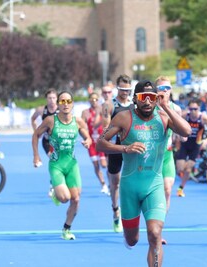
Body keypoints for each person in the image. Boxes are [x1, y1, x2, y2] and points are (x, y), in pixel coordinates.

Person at [96, 80, 191, 267]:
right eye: (142, 97)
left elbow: (186, 131)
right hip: (130, 187)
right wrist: (126, 148)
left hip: (154, 185)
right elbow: (100, 143)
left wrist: (166, 107)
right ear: (135, 99)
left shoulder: (164, 117)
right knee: (132, 240)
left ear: (156, 99)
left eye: (152, 97)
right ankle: (128, 237)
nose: (147, 102)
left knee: (155, 233)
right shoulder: (124, 118)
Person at [32, 91, 92, 240]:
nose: (65, 104)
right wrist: (36, 155)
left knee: (76, 199)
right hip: (56, 165)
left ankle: (66, 228)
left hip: (72, 164)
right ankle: (56, 192)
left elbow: (87, 136)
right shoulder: (50, 121)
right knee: (65, 198)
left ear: (72, 103)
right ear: (58, 104)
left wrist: (88, 141)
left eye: (68, 101)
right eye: (62, 101)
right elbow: (35, 135)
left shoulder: (78, 121)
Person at [101, 74, 134, 233]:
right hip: (115, 147)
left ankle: (131, 214)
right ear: (117, 88)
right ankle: (115, 211)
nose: (125, 92)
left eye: (128, 90)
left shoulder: (134, 105)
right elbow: (106, 128)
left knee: (132, 181)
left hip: (131, 148)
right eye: (122, 89)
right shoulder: (110, 105)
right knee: (115, 182)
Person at [154, 76, 183, 245]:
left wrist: (180, 137)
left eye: (167, 88)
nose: (164, 91)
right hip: (151, 157)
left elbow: (180, 129)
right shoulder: (150, 109)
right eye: (161, 88)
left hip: (167, 156)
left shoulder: (176, 108)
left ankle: (159, 230)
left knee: (167, 189)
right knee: (148, 193)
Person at [176, 99, 207, 197]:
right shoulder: (185, 115)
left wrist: (206, 141)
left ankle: (181, 188)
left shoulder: (203, 118)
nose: (193, 111)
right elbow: (176, 125)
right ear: (188, 109)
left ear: (199, 108)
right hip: (185, 143)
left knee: (188, 168)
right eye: (191, 109)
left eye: (195, 109)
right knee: (180, 168)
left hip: (196, 145)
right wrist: (179, 136)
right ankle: (183, 174)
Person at [31, 88, 58, 196]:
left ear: (57, 99)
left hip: (59, 142)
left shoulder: (61, 110)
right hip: (47, 141)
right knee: (54, 160)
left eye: (54, 98)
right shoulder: (41, 110)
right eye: (49, 98)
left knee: (60, 163)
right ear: (46, 99)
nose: (52, 100)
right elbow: (33, 119)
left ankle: (59, 183)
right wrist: (36, 130)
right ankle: (53, 185)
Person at [81, 93, 109, 195]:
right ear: (89, 100)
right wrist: (85, 137)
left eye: (96, 99)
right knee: (96, 165)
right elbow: (83, 126)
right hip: (92, 142)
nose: (94, 101)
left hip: (102, 141)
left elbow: (106, 121)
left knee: (104, 164)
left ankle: (111, 182)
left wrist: (100, 117)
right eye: (92, 99)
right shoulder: (85, 112)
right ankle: (103, 185)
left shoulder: (103, 109)